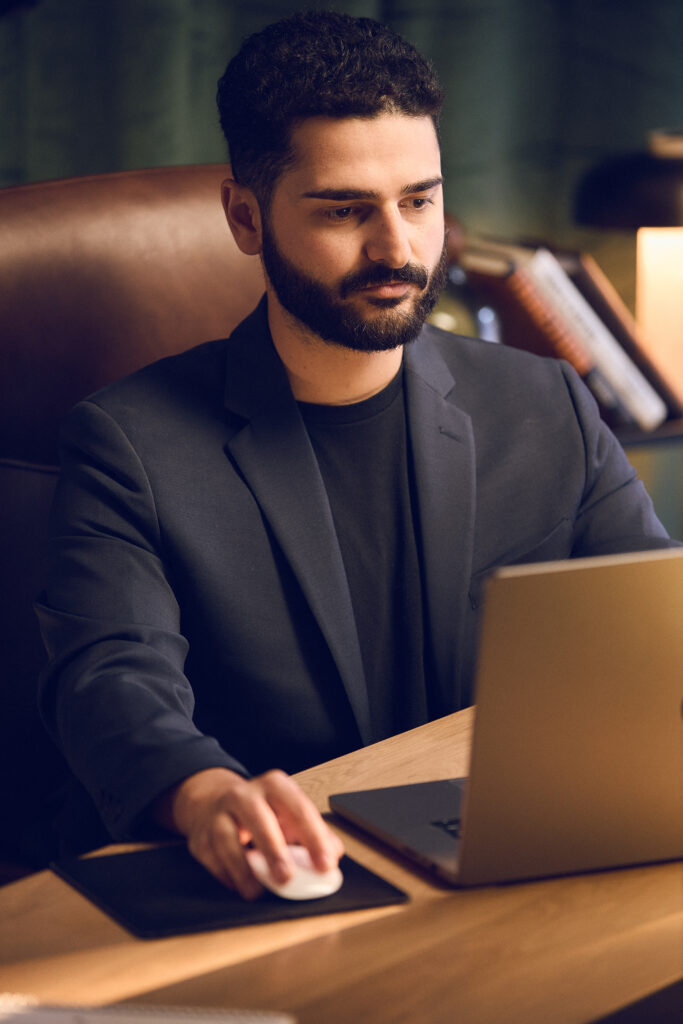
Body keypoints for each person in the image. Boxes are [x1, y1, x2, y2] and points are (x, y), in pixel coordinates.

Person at [37, 10, 675, 899]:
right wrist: (203, 794)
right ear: (246, 218)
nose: (398, 249)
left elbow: (657, 632)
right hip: (276, 881)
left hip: (502, 861)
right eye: (345, 211)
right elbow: (110, 681)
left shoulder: (545, 403)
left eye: (419, 200)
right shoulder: (128, 443)